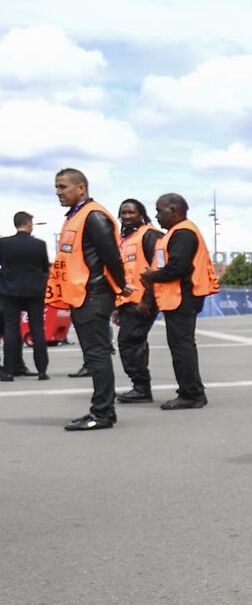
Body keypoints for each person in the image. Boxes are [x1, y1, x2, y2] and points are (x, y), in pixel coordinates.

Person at [46, 169, 133, 430]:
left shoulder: (93, 216)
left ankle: (103, 414)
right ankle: (102, 410)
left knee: (97, 355)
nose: (58, 192)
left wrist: (121, 286)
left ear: (81, 188)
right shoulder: (77, 216)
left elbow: (111, 257)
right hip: (82, 295)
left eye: (63, 187)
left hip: (93, 295)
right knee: (95, 354)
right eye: (56, 187)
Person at [141, 193, 218, 410]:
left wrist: (151, 276)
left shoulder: (183, 233)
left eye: (159, 210)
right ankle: (190, 391)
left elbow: (177, 267)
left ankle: (191, 394)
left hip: (183, 298)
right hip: (177, 298)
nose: (156, 215)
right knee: (181, 346)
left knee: (182, 347)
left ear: (174, 210)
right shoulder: (176, 233)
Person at [113, 199, 162, 403]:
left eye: (131, 212)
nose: (126, 216)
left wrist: (148, 300)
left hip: (143, 301)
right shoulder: (124, 240)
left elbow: (158, 269)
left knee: (130, 341)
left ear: (141, 214)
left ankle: (141, 387)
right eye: (123, 212)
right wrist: (116, 307)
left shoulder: (150, 235)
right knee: (133, 342)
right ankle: (140, 386)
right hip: (127, 301)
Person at [0, 211, 51, 381]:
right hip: (34, 292)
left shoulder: (4, 244)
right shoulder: (39, 244)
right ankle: (42, 370)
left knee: (11, 330)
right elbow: (45, 268)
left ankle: (8, 371)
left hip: (10, 291)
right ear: (29, 224)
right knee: (37, 329)